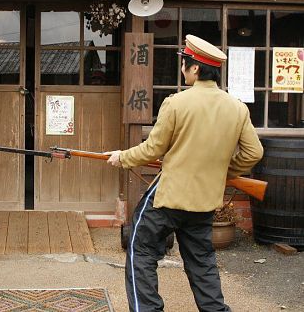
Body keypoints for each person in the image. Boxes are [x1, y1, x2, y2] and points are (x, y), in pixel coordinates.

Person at [105, 34, 263, 312]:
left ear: (196, 68)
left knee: (140, 252)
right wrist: (221, 171)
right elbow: (253, 153)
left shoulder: (176, 103)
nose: (182, 69)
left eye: (185, 64)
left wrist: (122, 157)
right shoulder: (237, 108)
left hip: (168, 197)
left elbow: (152, 149)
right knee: (202, 262)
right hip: (204, 201)